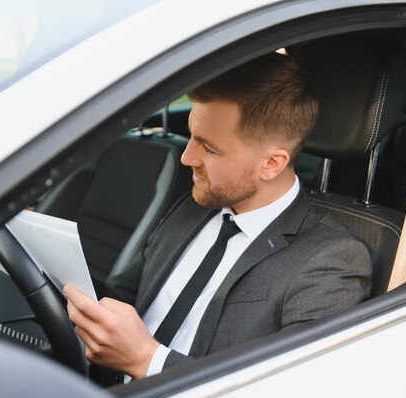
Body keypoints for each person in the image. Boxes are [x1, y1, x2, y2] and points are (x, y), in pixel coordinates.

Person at [64, 52, 372, 380]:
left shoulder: (331, 260)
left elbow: (288, 394)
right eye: (191, 135)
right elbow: (121, 297)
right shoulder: (194, 206)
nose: (186, 158)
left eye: (209, 148)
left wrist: (146, 361)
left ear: (272, 164)